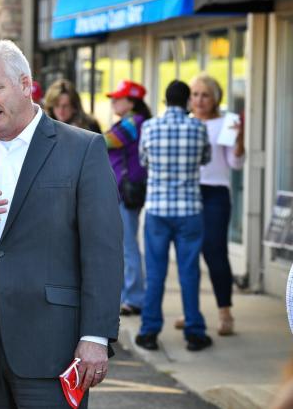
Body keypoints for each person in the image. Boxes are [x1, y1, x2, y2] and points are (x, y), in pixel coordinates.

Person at [0, 40, 123, 408]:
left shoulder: (82, 149)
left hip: (54, 349)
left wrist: (96, 336)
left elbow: (104, 252)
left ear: (24, 84)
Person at [136, 80, 212, 352]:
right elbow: (205, 159)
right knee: (189, 272)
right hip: (190, 210)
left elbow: (144, 161)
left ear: (166, 100)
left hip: (157, 210)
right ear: (187, 101)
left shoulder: (150, 127)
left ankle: (148, 331)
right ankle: (194, 332)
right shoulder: (198, 127)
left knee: (155, 273)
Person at [185, 73, 245, 336]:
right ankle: (192, 314)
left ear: (215, 98)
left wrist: (240, 139)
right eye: (195, 94)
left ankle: (225, 312)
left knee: (215, 252)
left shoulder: (227, 122)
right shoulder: (184, 123)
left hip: (216, 194)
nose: (199, 100)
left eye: (205, 95)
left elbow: (235, 164)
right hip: (187, 192)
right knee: (189, 255)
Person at [103, 80, 153, 317]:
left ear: (131, 101)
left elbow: (107, 141)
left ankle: (134, 298)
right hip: (122, 192)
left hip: (126, 192)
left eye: (118, 97)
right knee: (124, 245)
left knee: (128, 246)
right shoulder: (132, 121)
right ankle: (127, 296)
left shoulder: (134, 122)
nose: (113, 101)